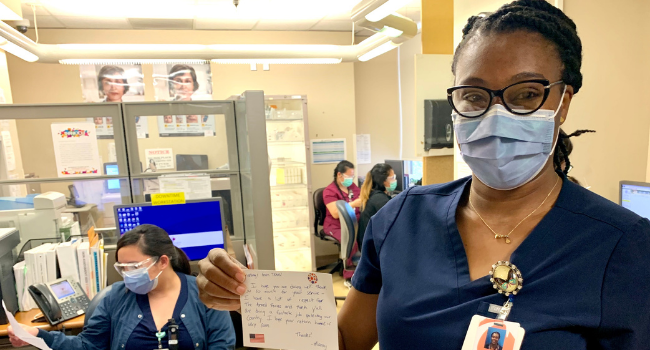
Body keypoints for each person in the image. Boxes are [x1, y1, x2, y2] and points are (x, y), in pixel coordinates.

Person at [194, 1, 650, 349]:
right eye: (473, 96)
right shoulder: (402, 220)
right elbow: (342, 340)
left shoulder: (623, 246)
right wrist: (248, 305)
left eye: (526, 94)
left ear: (563, 102)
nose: (495, 115)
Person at [8, 224, 235, 350]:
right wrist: (37, 335)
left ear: (163, 262)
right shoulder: (116, 297)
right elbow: (88, 346)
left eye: (133, 266)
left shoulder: (206, 294)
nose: (127, 275)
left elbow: (222, 346)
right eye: (122, 267)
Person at [322, 160, 361, 242]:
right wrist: (353, 204)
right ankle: (351, 255)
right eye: (348, 177)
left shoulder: (352, 186)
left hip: (355, 223)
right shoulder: (329, 191)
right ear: (339, 174)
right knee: (350, 241)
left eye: (352, 177)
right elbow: (335, 213)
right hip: (336, 226)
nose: (351, 179)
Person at [357, 163, 395, 249]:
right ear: (383, 181)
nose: (395, 180)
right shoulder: (379, 199)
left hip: (368, 244)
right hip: (372, 248)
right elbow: (393, 220)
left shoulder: (374, 194)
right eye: (392, 178)